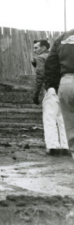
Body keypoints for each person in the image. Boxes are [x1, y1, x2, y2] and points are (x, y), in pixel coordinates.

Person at [32, 40, 69, 155]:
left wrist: (36, 93)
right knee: (63, 119)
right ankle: (66, 146)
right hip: (63, 87)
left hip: (51, 89)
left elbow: (40, 76)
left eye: (36, 48)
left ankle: (53, 147)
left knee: (50, 119)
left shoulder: (41, 58)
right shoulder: (59, 56)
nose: (34, 50)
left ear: (43, 48)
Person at [44, 28, 74, 156]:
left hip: (66, 82)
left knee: (70, 128)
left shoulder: (62, 38)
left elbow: (51, 64)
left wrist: (53, 85)